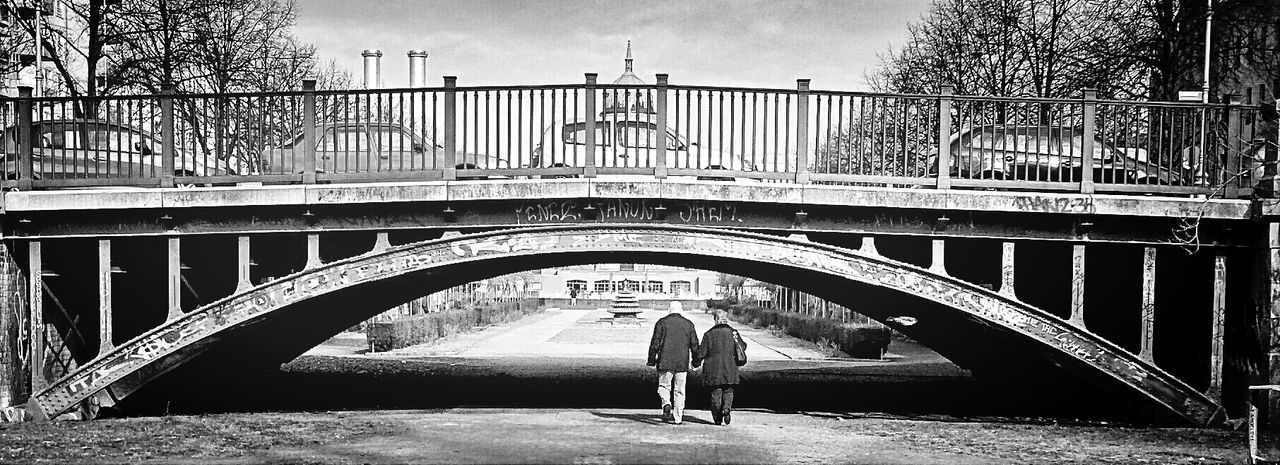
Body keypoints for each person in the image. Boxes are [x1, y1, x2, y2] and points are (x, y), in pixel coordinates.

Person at [647, 301, 699, 424]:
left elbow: (655, 342)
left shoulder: (661, 323)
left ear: (669, 309)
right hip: (682, 362)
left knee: (664, 386)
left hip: (665, 360)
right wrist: (696, 361)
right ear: (681, 310)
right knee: (680, 390)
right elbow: (694, 345)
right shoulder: (688, 324)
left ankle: (666, 403)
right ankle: (678, 417)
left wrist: (651, 359)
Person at [694, 310, 747, 426]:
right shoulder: (733, 333)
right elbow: (743, 346)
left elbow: (701, 353)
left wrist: (695, 363)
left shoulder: (709, 334)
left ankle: (717, 418)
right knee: (728, 390)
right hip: (730, 367)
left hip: (713, 369)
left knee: (716, 392)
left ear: (715, 319)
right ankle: (727, 408)